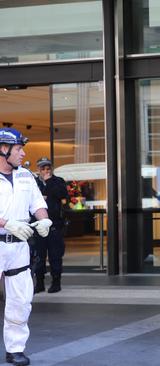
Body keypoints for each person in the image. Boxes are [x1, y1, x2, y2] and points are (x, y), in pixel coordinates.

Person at [0, 128, 52, 366]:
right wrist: (6, 223)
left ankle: (15, 349)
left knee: (20, 301)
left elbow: (37, 203)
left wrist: (44, 219)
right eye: (19, 149)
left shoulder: (25, 176)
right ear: (4, 149)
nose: (22, 154)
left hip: (19, 247)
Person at [34, 157, 68, 294]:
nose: (46, 171)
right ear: (38, 170)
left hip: (54, 226)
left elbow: (63, 195)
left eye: (48, 168)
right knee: (39, 257)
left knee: (55, 256)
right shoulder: (33, 182)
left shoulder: (58, 181)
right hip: (38, 226)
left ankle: (56, 282)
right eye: (43, 168)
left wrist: (48, 182)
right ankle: (40, 283)